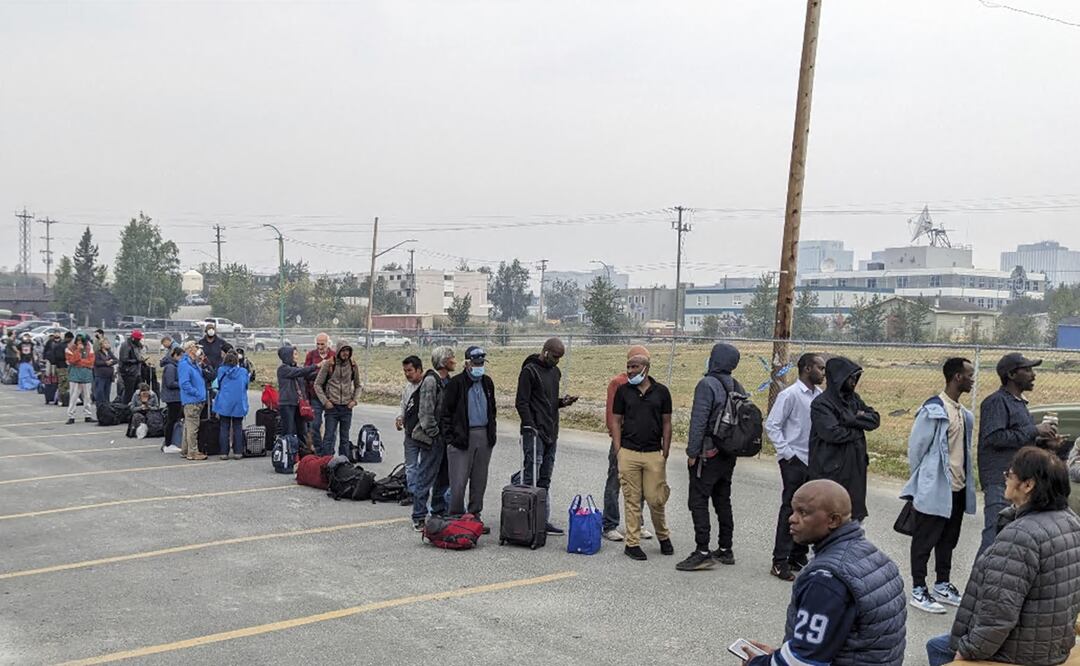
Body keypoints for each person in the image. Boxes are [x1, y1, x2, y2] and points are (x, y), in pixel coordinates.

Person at [926, 447, 1080, 666]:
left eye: (1010, 474)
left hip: (1020, 651)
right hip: (1052, 644)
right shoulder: (1070, 521)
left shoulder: (1021, 536)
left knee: (939, 649)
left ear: (1028, 485)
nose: (1006, 478)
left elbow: (997, 617)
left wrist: (966, 653)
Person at [740, 480, 907, 666]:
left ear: (833, 520)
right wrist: (776, 658)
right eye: (793, 510)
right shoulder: (874, 556)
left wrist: (758, 664)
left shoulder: (826, 579)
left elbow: (804, 660)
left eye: (803, 512)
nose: (792, 518)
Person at [901, 357, 977, 614]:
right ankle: (919, 589)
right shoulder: (933, 409)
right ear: (957, 377)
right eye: (969, 374)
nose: (972, 379)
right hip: (935, 489)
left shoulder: (964, 414)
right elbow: (917, 449)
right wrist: (925, 481)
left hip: (957, 489)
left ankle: (942, 584)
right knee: (924, 540)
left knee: (948, 540)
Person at [976, 352, 1061, 556]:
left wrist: (1043, 443)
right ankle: (977, 587)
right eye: (1028, 370)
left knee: (1009, 539)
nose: (1033, 375)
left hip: (1018, 481)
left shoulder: (1019, 403)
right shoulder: (996, 402)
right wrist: (1034, 430)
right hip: (1000, 480)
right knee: (994, 537)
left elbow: (1017, 439)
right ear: (1012, 375)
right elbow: (994, 438)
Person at [677, 342, 744, 572]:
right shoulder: (737, 385)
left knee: (698, 499)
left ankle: (702, 551)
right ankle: (726, 548)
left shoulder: (707, 385)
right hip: (728, 454)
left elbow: (699, 421)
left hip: (708, 453)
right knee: (722, 500)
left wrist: (692, 452)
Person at [764, 352, 825, 581]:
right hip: (794, 460)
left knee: (809, 509)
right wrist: (788, 454)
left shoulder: (819, 396)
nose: (823, 373)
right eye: (820, 368)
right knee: (790, 509)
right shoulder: (790, 395)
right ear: (807, 369)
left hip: (813, 461)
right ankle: (779, 561)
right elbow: (772, 425)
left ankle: (798, 555)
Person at [513, 337, 579, 534]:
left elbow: (548, 402)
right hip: (534, 432)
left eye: (560, 358)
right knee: (531, 474)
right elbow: (521, 402)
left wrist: (563, 402)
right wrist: (530, 426)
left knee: (545, 477)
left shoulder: (555, 372)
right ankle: (520, 508)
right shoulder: (529, 371)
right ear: (546, 351)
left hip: (551, 431)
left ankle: (541, 519)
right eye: (555, 356)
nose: (557, 361)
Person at [612, 353, 674, 561]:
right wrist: (618, 448)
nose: (630, 371)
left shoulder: (662, 392)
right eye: (628, 367)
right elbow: (616, 420)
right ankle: (632, 543)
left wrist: (665, 451)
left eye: (634, 367)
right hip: (628, 453)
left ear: (646, 368)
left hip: (653, 454)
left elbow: (666, 422)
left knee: (656, 499)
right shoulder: (623, 392)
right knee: (632, 499)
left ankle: (663, 537)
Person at [807, 356, 880, 523]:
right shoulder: (822, 404)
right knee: (829, 519)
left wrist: (851, 419)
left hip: (855, 468)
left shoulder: (854, 399)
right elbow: (832, 433)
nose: (854, 382)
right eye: (851, 377)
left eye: (856, 377)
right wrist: (858, 429)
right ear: (840, 378)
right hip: (831, 470)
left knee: (853, 518)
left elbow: (875, 419)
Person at [440, 346, 497, 531]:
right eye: (475, 363)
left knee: (479, 479)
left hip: (483, 435)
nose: (479, 366)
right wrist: (450, 438)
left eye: (481, 363)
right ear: (467, 364)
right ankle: (455, 515)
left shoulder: (487, 382)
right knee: (458, 480)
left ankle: (474, 515)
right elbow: (445, 413)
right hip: (461, 437)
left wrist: (492, 434)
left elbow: (492, 410)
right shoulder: (456, 384)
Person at [602, 345, 653, 542]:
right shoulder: (618, 383)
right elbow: (611, 415)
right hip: (622, 440)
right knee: (615, 482)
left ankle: (637, 524)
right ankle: (610, 524)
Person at [410, 346, 454, 532]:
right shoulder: (430, 381)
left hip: (445, 438)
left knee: (444, 477)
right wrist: (435, 434)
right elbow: (426, 413)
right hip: (432, 439)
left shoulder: (447, 382)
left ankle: (438, 510)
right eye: (452, 357)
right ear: (444, 361)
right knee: (425, 476)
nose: (455, 361)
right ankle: (419, 516)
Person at [313, 343, 361, 456]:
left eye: (348, 351)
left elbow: (358, 385)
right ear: (338, 351)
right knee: (329, 436)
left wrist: (354, 400)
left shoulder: (353, 365)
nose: (346, 353)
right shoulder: (329, 364)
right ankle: (325, 462)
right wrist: (325, 401)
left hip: (346, 407)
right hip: (332, 407)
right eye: (343, 350)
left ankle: (343, 464)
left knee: (345, 438)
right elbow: (317, 384)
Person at [276, 345, 319, 439]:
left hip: (299, 404)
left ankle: (301, 450)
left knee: (302, 430)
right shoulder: (283, 369)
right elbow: (301, 372)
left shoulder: (297, 369)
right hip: (287, 404)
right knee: (288, 430)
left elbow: (308, 375)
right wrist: (316, 366)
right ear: (288, 356)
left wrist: (324, 370)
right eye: (294, 354)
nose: (297, 356)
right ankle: (288, 450)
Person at [397, 355, 424, 505]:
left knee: (426, 465)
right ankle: (413, 493)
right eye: (405, 371)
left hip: (424, 434)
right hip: (410, 433)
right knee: (411, 466)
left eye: (410, 370)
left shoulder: (428, 385)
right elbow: (403, 404)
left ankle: (424, 493)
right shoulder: (408, 388)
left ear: (419, 370)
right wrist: (400, 417)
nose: (407, 374)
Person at [214, 351, 250, 460]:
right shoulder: (243, 371)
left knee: (224, 427)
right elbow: (246, 384)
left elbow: (218, 384)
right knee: (237, 427)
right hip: (238, 402)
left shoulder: (221, 370)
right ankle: (238, 452)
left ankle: (224, 453)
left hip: (225, 401)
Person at [178, 341, 208, 461]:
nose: (198, 350)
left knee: (188, 426)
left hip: (197, 399)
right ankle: (193, 452)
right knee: (192, 428)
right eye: (196, 348)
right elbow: (185, 384)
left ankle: (185, 450)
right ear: (190, 350)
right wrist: (197, 393)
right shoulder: (184, 365)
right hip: (192, 400)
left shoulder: (194, 364)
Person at [304, 332, 335, 442]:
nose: (320, 347)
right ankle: (318, 448)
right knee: (315, 424)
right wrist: (319, 373)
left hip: (331, 396)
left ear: (328, 343)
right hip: (315, 395)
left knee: (331, 427)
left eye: (322, 344)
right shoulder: (311, 355)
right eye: (318, 344)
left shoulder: (334, 355)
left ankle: (328, 450)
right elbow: (305, 373)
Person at [64, 333, 96, 424]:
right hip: (75, 375)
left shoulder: (90, 347)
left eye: (81, 340)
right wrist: (78, 350)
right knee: (73, 396)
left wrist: (80, 363)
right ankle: (71, 416)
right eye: (77, 340)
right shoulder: (69, 348)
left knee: (87, 396)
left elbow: (91, 361)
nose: (79, 342)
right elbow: (72, 360)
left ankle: (88, 415)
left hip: (86, 374)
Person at [160, 346, 183, 453]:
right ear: (176, 355)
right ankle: (168, 443)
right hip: (172, 397)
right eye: (181, 356)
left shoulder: (174, 365)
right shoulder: (171, 367)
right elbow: (170, 383)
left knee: (173, 419)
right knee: (171, 420)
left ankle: (171, 441)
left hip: (175, 396)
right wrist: (182, 384)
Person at [118, 329, 148, 404]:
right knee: (129, 393)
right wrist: (136, 361)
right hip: (128, 372)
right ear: (133, 338)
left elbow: (137, 355)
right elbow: (124, 359)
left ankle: (135, 407)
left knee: (138, 392)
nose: (139, 340)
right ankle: (125, 408)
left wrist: (141, 360)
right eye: (138, 339)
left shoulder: (136, 345)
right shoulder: (126, 345)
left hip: (137, 372)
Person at [92, 337, 118, 405]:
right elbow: (96, 362)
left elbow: (116, 360)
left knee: (107, 391)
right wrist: (106, 362)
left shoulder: (109, 352)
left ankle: (107, 405)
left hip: (109, 375)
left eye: (108, 343)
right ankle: (100, 404)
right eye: (106, 343)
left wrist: (111, 362)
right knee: (100, 391)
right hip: (100, 375)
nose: (108, 344)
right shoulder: (98, 353)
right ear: (102, 345)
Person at [51, 331, 73, 402]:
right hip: (62, 367)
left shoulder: (59, 345)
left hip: (61, 367)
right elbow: (58, 356)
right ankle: (61, 399)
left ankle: (62, 399)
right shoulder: (62, 346)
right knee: (63, 383)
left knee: (63, 383)